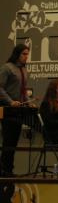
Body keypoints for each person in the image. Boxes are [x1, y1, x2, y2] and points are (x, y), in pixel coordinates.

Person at [0, 44, 30, 176]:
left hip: (19, 111)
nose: (26, 57)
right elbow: (0, 88)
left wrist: (28, 102)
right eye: (24, 54)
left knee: (14, 143)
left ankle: (9, 170)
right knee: (8, 141)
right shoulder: (7, 68)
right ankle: (4, 171)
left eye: (27, 54)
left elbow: (23, 91)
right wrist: (10, 101)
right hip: (8, 110)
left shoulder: (24, 70)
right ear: (17, 54)